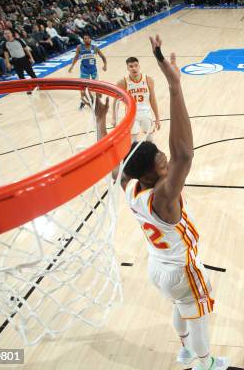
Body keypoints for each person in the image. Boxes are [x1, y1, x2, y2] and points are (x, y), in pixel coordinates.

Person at [92, 34, 229, 370]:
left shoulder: (130, 185)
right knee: (199, 317)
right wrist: (175, 87)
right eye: (161, 162)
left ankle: (184, 351)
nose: (166, 160)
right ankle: (204, 363)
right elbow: (184, 152)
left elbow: (109, 163)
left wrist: (99, 121)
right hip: (180, 267)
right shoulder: (163, 197)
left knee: (181, 306)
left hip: (157, 267)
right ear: (153, 175)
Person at [113, 57, 160, 142]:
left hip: (146, 113)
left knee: (149, 138)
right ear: (127, 68)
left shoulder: (148, 80)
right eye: (131, 66)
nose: (134, 68)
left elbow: (153, 100)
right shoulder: (122, 82)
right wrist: (114, 118)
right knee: (134, 140)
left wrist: (157, 118)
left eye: (136, 65)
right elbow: (116, 101)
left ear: (139, 66)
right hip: (131, 114)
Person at [68, 33, 107, 109]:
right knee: (82, 88)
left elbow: (103, 57)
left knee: (97, 89)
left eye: (88, 38)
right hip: (84, 70)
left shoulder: (95, 48)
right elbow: (76, 57)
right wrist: (72, 66)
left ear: (90, 39)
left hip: (93, 70)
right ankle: (82, 101)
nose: (87, 40)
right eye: (85, 38)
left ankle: (96, 101)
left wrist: (105, 65)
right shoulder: (79, 47)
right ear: (83, 40)